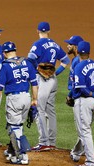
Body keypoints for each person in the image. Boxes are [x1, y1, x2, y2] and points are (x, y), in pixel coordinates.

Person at [0, 41, 38, 164]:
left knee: (14, 128)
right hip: (27, 98)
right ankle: (12, 150)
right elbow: (34, 84)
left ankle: (22, 156)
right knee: (17, 125)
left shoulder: (5, 66)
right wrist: (34, 100)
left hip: (14, 99)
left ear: (5, 53)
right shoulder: (27, 63)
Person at [27, 22, 70, 151]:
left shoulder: (38, 44)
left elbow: (30, 59)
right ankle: (51, 142)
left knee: (39, 109)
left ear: (37, 31)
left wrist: (37, 69)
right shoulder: (55, 44)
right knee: (50, 110)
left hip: (42, 80)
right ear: (49, 31)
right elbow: (66, 61)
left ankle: (43, 142)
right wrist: (56, 72)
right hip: (53, 80)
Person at [70, 41, 94, 166]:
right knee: (84, 131)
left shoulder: (79, 66)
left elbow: (81, 88)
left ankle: (91, 163)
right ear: (89, 52)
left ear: (78, 52)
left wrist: (92, 95)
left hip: (84, 102)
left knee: (85, 132)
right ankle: (76, 153)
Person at [64, 35, 85, 161]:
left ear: (76, 47)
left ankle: (79, 153)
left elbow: (78, 83)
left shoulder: (78, 61)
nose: (68, 46)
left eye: (70, 44)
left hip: (79, 97)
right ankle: (78, 151)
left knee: (82, 129)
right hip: (78, 96)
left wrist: (70, 95)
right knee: (82, 128)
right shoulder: (76, 60)